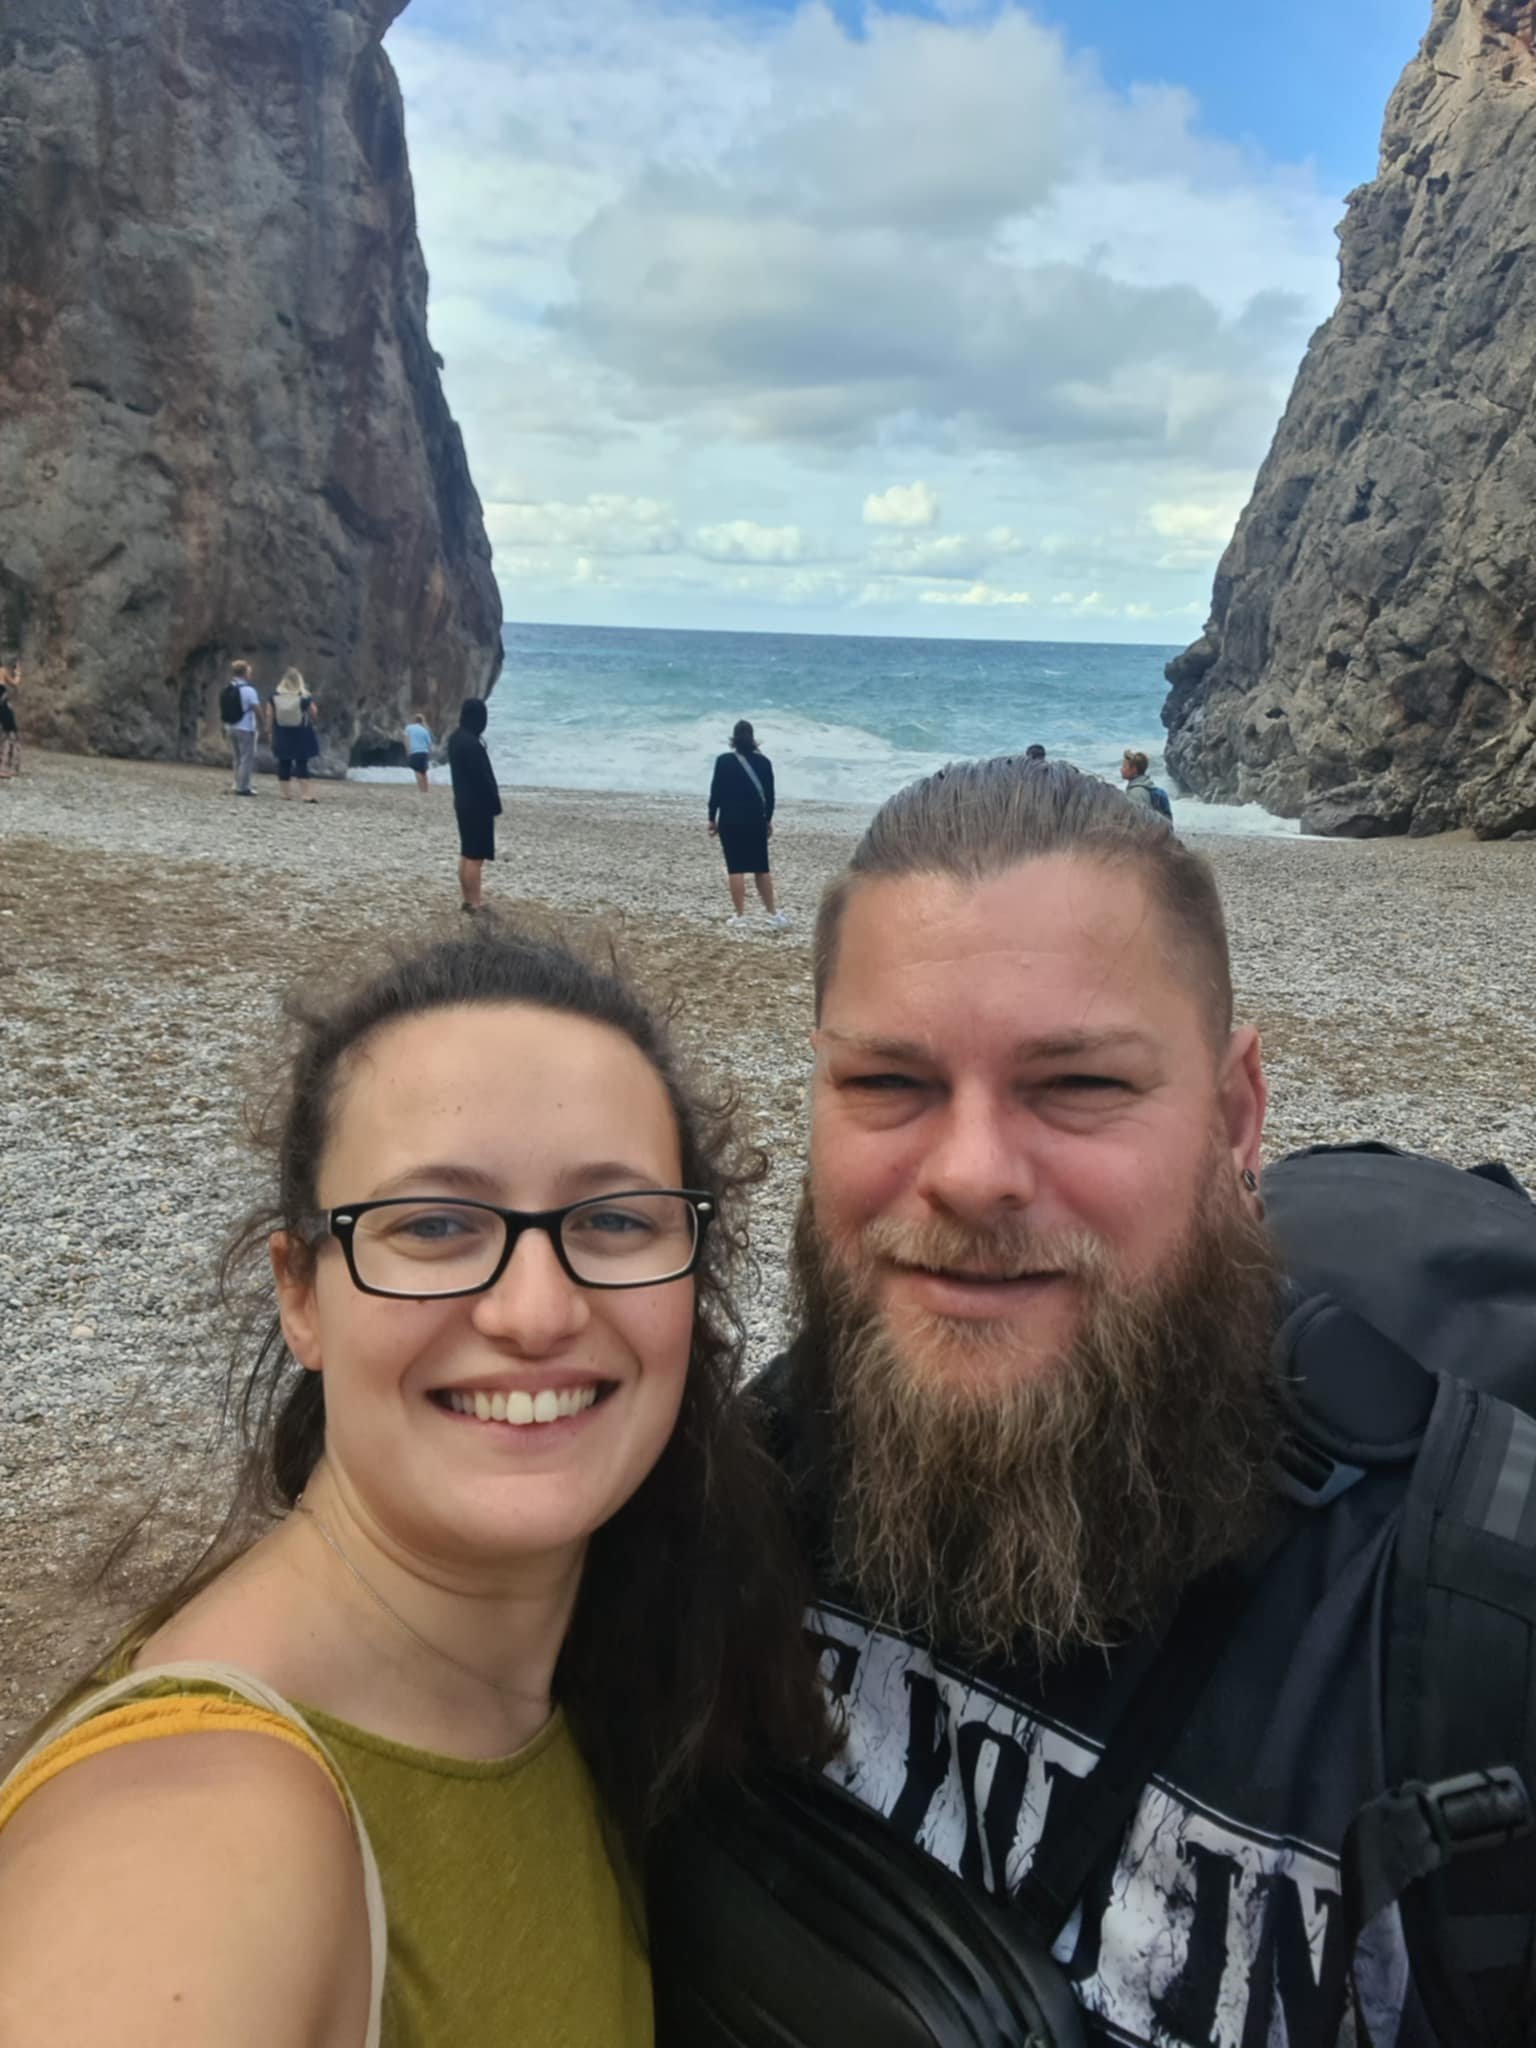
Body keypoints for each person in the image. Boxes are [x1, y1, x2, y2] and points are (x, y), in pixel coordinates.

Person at [749, 758, 1528, 2047]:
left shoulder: (1466, 1639)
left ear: (1236, 1114)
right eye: (889, 1082)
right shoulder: (727, 1498)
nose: (973, 1173)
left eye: (1081, 1085)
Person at [0, 928, 829, 2045]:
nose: (535, 1310)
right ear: (302, 1294)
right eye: (435, 1224)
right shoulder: (198, 1845)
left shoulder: (607, 1671)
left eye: (615, 1219)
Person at [709, 720, 788, 930]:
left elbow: (715, 791)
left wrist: (711, 818)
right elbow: (770, 796)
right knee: (761, 868)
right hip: (755, 821)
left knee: (735, 868)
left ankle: (740, 916)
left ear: (733, 739)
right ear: (753, 738)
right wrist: (768, 820)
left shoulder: (723, 761)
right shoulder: (764, 763)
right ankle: (772, 913)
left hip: (730, 820)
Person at [447, 698, 502, 912]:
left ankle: (468, 899)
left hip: (462, 801)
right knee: (475, 857)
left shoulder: (455, 739)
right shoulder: (471, 744)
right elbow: (482, 778)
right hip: (477, 805)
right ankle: (475, 902)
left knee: (467, 852)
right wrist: (494, 803)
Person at [271, 669, 321, 804]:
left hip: (281, 732)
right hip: (301, 733)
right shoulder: (304, 696)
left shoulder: (275, 695)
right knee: (301, 763)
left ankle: (285, 793)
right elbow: (314, 712)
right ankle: (306, 794)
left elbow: (270, 714)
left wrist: (270, 730)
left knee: (284, 762)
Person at [222, 659, 263, 797]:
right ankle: (243, 787)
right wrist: (262, 724)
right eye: (249, 671)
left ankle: (236, 783)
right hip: (245, 728)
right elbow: (257, 708)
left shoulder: (228, 688)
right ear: (245, 673)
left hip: (230, 726)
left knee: (237, 757)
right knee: (247, 758)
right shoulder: (249, 690)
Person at [1119, 748, 1172, 820]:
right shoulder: (1149, 787)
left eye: (1124, 766)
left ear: (1134, 769)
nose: (1121, 769)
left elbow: (1139, 823)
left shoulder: (1136, 793)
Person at [404, 710, 434, 794]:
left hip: (415, 752)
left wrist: (407, 751)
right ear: (422, 721)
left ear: (414, 720)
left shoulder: (409, 728)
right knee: (424, 771)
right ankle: (426, 790)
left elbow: (406, 739)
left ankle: (421, 790)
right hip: (424, 752)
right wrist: (429, 754)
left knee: (417, 771)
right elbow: (429, 744)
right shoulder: (425, 730)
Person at [0, 658, 19, 779]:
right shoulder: (2, 671)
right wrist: (18, 672)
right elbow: (15, 683)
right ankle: (5, 767)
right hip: (2, 706)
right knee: (11, 733)